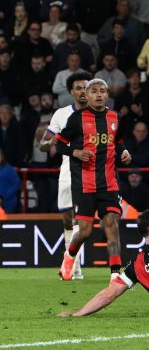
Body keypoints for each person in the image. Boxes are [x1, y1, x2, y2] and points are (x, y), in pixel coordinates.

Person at [54, 79, 132, 281]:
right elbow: (60, 144)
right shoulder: (76, 119)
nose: (99, 95)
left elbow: (119, 140)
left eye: (103, 91)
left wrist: (124, 152)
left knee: (112, 223)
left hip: (109, 183)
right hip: (84, 184)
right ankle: (69, 256)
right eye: (94, 91)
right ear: (86, 96)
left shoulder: (115, 117)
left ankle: (116, 273)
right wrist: (76, 152)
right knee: (85, 232)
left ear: (108, 95)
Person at [38, 70, 91, 279]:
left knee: (83, 220)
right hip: (68, 171)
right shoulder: (61, 114)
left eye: (86, 87)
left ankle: (77, 266)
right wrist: (49, 143)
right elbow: (43, 144)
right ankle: (73, 263)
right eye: (78, 88)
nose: (83, 92)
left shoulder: (100, 113)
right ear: (71, 92)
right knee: (68, 220)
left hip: (91, 172)